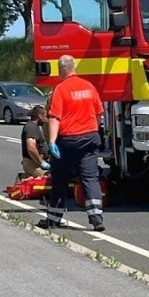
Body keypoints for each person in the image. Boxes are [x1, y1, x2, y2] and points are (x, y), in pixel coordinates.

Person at [41, 55, 105, 232]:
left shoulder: (60, 89)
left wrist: (52, 141)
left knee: (60, 179)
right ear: (74, 67)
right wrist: (93, 130)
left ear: (61, 70)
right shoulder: (89, 87)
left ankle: (54, 218)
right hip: (89, 138)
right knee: (90, 178)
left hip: (68, 141)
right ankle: (96, 218)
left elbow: (55, 118)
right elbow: (99, 113)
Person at [21, 105, 50, 178]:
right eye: (45, 117)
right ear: (40, 116)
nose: (46, 119)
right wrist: (41, 162)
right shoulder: (31, 127)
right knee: (51, 178)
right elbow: (31, 147)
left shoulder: (34, 126)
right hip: (33, 165)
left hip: (35, 163)